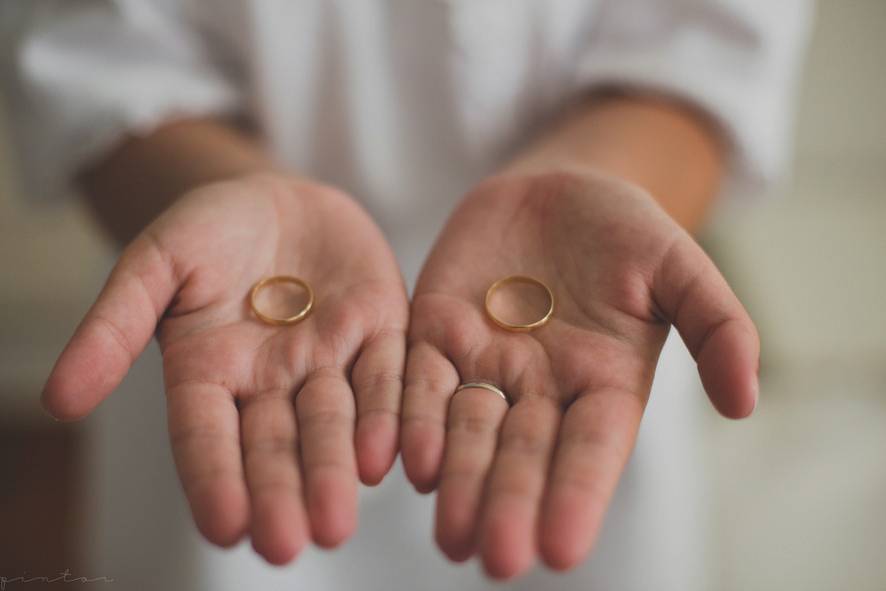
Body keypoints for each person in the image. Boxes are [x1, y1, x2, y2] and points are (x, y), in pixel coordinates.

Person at [1, 1, 811, 589]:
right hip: (238, 351)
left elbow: (708, 53)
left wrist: (602, 175)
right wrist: (223, 188)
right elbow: (88, 60)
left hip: (577, 339)